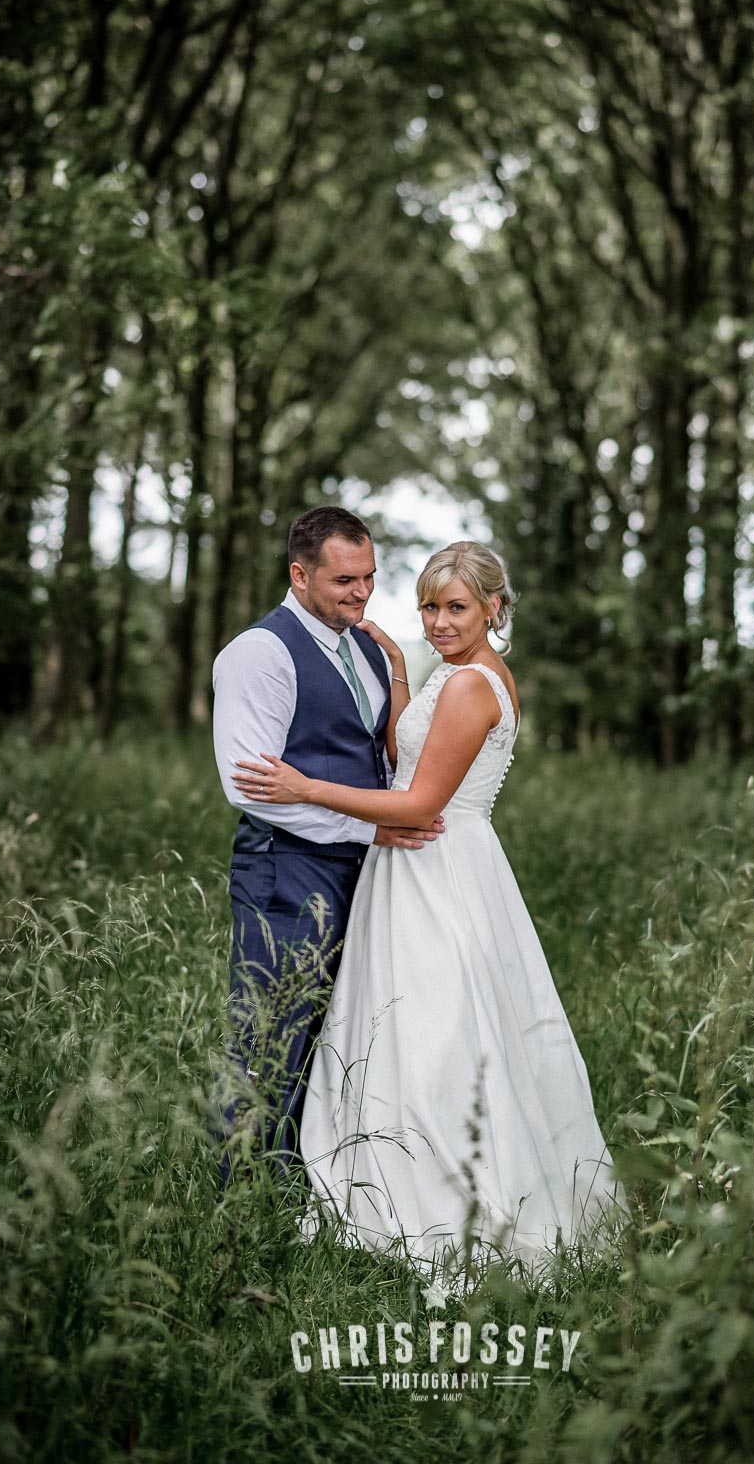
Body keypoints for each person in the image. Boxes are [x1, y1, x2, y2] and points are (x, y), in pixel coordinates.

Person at [232, 541, 626, 1276]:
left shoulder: (474, 686)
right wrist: (406, 679)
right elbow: (410, 752)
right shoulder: (457, 677)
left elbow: (417, 800)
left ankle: (442, 1201)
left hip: (434, 861)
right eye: (427, 606)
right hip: (418, 862)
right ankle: (381, 1176)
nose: (438, 620)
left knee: (437, 1026)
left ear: (493, 609)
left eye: (455, 607)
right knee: (414, 1019)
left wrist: (303, 788)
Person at [210, 506, 444, 1182]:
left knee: (338, 1031)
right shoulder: (259, 653)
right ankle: (237, 1194)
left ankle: (309, 1187)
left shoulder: (367, 645)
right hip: (285, 869)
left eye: (369, 578)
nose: (361, 593)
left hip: (364, 871)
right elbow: (251, 786)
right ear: (299, 574)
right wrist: (365, 826)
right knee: (269, 1032)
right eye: (345, 580)